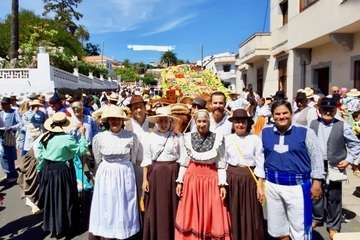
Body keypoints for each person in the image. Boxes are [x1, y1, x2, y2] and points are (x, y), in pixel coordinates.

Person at [262, 100, 324, 240]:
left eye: (285, 113)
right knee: (278, 227)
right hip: (272, 185)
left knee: (300, 227)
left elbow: (317, 158)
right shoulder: (265, 132)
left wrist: (317, 182)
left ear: (291, 114)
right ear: (272, 116)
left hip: (297, 187)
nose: (281, 116)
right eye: (277, 114)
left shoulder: (305, 132)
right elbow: (260, 157)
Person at [175, 109, 230, 240]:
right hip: (192, 180)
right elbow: (184, 162)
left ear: (209, 122)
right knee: (192, 212)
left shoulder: (217, 138)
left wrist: (222, 184)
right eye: (199, 121)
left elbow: (221, 164)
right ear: (195, 122)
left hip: (211, 180)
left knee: (212, 211)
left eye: (204, 121)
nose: (201, 124)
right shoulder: (187, 137)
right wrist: (179, 181)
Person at [310, 97, 360, 240]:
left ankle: (333, 225)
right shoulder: (313, 124)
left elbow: (356, 145)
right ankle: (317, 217)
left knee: (334, 197)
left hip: (335, 166)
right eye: (324, 109)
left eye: (330, 110)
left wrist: (349, 160)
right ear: (319, 110)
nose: (327, 112)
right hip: (317, 164)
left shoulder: (342, 125)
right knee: (316, 193)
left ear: (335, 110)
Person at [88, 105, 141, 240]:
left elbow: (133, 158)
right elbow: (98, 159)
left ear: (122, 121)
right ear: (107, 121)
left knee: (125, 202)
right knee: (107, 203)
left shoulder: (131, 137)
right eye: (112, 119)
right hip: (106, 174)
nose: (115, 122)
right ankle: (108, 232)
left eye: (118, 119)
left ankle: (125, 231)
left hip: (125, 173)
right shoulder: (99, 138)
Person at [35, 112, 88, 238]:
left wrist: (39, 170)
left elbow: (40, 156)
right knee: (66, 198)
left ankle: (53, 225)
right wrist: (83, 135)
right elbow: (82, 150)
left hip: (47, 170)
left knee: (52, 198)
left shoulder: (45, 137)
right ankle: (66, 226)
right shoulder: (67, 138)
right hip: (62, 171)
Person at [142, 106, 185, 240]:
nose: (163, 124)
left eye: (165, 121)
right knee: (157, 208)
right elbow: (146, 159)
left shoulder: (177, 137)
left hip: (173, 174)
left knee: (172, 206)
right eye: (160, 121)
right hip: (155, 175)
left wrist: (180, 179)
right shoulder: (150, 137)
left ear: (170, 121)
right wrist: (145, 180)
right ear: (156, 122)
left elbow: (183, 158)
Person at [225, 109, 265, 240]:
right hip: (232, 178)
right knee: (233, 210)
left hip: (249, 179)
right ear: (233, 124)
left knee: (250, 211)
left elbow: (260, 162)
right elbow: (223, 161)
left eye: (243, 122)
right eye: (237, 122)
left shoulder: (255, 139)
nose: (240, 125)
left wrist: (260, 185)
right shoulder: (228, 139)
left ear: (248, 123)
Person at [0, 97, 22, 182]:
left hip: (10, 136)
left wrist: (11, 128)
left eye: (4, 104)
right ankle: (9, 173)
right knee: (2, 156)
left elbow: (20, 123)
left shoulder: (14, 112)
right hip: (1, 136)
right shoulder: (1, 113)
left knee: (10, 155)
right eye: (2, 104)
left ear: (9, 104)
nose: (2, 106)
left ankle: (12, 174)